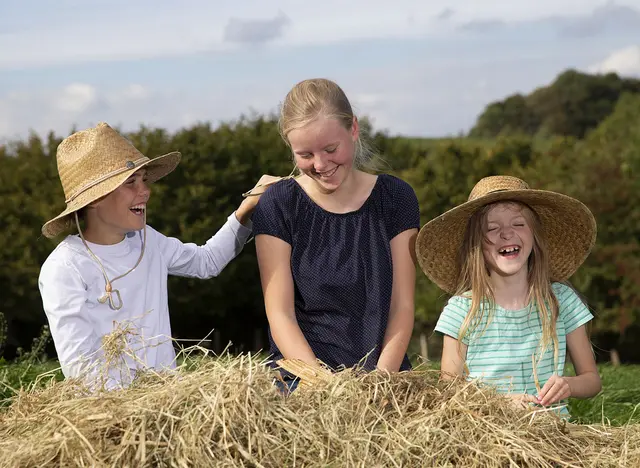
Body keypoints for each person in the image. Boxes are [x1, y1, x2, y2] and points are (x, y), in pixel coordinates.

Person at [38, 122, 278, 390]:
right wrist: (142, 405)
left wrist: (245, 211)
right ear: (95, 198)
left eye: (144, 180)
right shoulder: (65, 268)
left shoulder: (147, 241)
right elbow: (83, 371)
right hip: (112, 418)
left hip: (166, 405)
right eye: (131, 182)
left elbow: (206, 262)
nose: (146, 191)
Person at [250, 78, 420, 391]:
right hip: (302, 379)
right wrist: (322, 385)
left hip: (384, 377)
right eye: (305, 154)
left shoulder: (396, 198)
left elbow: (402, 307)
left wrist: (379, 383)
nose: (320, 164)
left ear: (353, 129)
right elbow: (280, 314)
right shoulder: (279, 204)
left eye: (331, 149)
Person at [416, 175, 602, 415]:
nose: (506, 234)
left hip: (553, 434)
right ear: (477, 246)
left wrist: (568, 384)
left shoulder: (561, 300)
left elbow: (591, 380)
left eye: (518, 224)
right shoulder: (462, 309)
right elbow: (449, 390)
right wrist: (498, 403)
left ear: (535, 237)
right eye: (492, 228)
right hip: (488, 436)